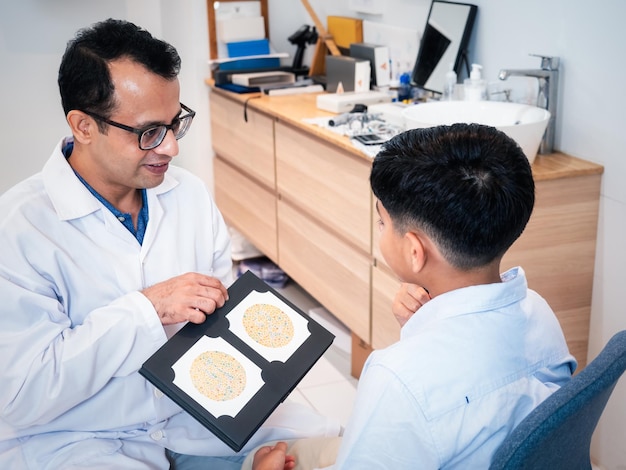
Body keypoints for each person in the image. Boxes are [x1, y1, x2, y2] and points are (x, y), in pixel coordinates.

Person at [0, 19, 339, 469]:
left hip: (195, 419)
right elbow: (22, 394)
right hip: (80, 440)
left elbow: (218, 328)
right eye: (149, 132)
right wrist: (147, 309)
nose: (171, 149)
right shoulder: (21, 228)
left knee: (338, 451)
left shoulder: (189, 195)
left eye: (175, 123)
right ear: (83, 125)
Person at [244, 123, 577, 469]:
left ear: (415, 252)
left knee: (259, 459)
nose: (380, 230)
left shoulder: (397, 379)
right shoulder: (539, 312)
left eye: (382, 223)